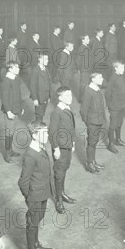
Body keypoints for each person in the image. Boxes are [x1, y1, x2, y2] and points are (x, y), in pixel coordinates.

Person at [18, 121, 55, 249]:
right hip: (35, 196)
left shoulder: (41, 148)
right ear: (34, 135)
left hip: (43, 193)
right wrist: (29, 198)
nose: (47, 135)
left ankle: (36, 244)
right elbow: (23, 181)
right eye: (43, 133)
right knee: (32, 223)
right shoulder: (30, 155)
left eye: (47, 132)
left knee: (38, 218)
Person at [49, 86, 76, 214]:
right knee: (59, 173)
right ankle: (58, 200)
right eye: (67, 96)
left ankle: (62, 193)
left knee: (64, 169)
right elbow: (52, 132)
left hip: (68, 146)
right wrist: (55, 148)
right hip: (60, 148)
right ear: (60, 98)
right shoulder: (57, 112)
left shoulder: (67, 109)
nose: (70, 98)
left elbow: (71, 128)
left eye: (71, 95)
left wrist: (73, 142)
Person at [80, 72, 107, 174]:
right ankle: (89, 163)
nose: (102, 79)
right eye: (99, 77)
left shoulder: (97, 90)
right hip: (92, 122)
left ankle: (93, 161)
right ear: (93, 80)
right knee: (91, 143)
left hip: (98, 120)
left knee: (95, 142)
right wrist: (88, 122)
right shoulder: (89, 91)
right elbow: (83, 110)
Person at [105, 60, 125, 153]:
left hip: (122, 104)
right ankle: (110, 144)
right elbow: (107, 93)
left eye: (124, 67)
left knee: (119, 123)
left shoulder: (121, 76)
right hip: (114, 106)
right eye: (121, 68)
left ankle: (118, 140)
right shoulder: (112, 78)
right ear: (116, 68)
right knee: (113, 125)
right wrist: (110, 105)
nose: (123, 69)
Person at [1, 61, 24, 163]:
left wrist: (21, 107)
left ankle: (11, 150)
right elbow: (4, 98)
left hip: (16, 108)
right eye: (16, 67)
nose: (18, 69)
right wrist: (8, 111)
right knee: (8, 132)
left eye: (18, 67)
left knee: (12, 130)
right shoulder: (7, 80)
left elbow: (18, 94)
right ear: (10, 69)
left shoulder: (15, 78)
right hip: (10, 110)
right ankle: (7, 154)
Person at [30, 53, 52, 122]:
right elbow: (32, 86)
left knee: (42, 113)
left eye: (47, 59)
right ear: (39, 59)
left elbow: (48, 83)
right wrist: (35, 99)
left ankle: (40, 126)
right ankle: (38, 129)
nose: (47, 60)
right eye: (45, 59)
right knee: (39, 115)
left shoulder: (46, 69)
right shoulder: (35, 70)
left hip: (45, 96)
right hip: (39, 97)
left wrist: (48, 96)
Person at [76, 34, 92, 103]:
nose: (89, 40)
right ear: (83, 40)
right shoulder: (82, 48)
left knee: (86, 84)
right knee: (83, 85)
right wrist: (79, 69)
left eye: (89, 38)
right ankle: (82, 100)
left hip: (87, 69)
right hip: (84, 69)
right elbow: (79, 60)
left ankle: (84, 99)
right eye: (87, 39)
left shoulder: (86, 47)